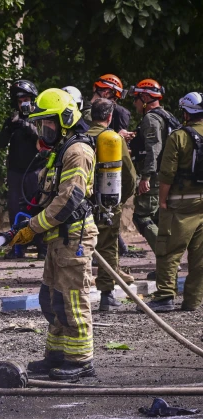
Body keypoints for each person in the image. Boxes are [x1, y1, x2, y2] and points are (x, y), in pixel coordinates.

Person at [0, 88, 97, 380]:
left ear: (65, 118)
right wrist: (25, 221)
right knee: (51, 298)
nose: (45, 129)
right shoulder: (61, 150)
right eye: (43, 123)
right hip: (58, 236)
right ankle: (56, 354)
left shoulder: (78, 152)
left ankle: (80, 360)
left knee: (72, 300)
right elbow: (47, 195)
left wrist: (33, 227)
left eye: (50, 122)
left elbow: (68, 200)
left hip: (73, 236)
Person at [146, 93, 203, 312]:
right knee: (199, 256)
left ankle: (164, 297)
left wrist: (162, 201)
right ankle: (193, 301)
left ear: (186, 112)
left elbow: (167, 173)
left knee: (169, 250)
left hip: (180, 203)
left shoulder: (178, 136)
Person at [87, 99, 137, 311]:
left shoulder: (78, 138)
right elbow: (130, 176)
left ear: (91, 117)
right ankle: (107, 297)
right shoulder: (115, 140)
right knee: (108, 246)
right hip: (108, 204)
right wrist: (118, 200)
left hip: (82, 204)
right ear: (109, 117)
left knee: (77, 246)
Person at [0, 79, 48, 259]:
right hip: (16, 173)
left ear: (32, 99)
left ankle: (42, 246)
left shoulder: (40, 118)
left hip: (35, 171)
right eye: (20, 101)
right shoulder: (13, 120)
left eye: (26, 99)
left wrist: (27, 127)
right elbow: (0, 143)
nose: (23, 104)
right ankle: (18, 246)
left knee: (37, 207)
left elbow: (43, 141)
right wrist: (9, 127)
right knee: (14, 209)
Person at [130, 79, 181, 257]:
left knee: (142, 217)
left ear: (144, 97)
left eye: (136, 98)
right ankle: (169, 261)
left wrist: (146, 177)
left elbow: (154, 149)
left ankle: (164, 259)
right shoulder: (166, 115)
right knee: (160, 219)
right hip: (166, 176)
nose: (135, 103)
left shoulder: (151, 118)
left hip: (155, 177)